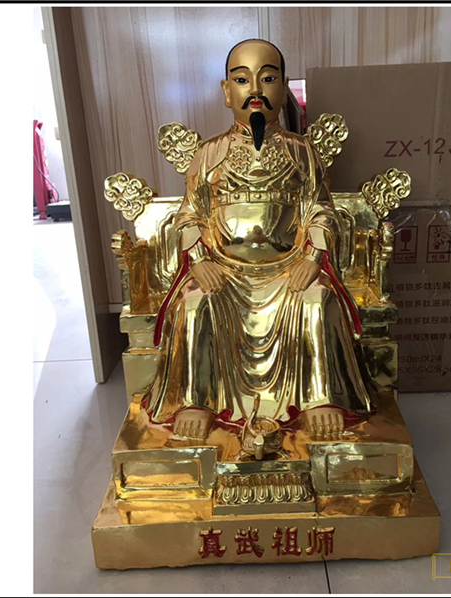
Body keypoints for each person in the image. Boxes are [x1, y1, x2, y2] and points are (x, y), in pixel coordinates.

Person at [143, 39, 375, 440]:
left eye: (267, 79)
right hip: (225, 272)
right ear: (226, 91)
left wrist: (312, 259)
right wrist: (200, 260)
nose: (255, 89)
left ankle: (318, 398)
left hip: (288, 271)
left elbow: (321, 210)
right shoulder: (209, 153)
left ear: (283, 88)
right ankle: (198, 401)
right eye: (241, 80)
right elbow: (189, 214)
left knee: (317, 301)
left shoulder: (302, 152)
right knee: (196, 304)